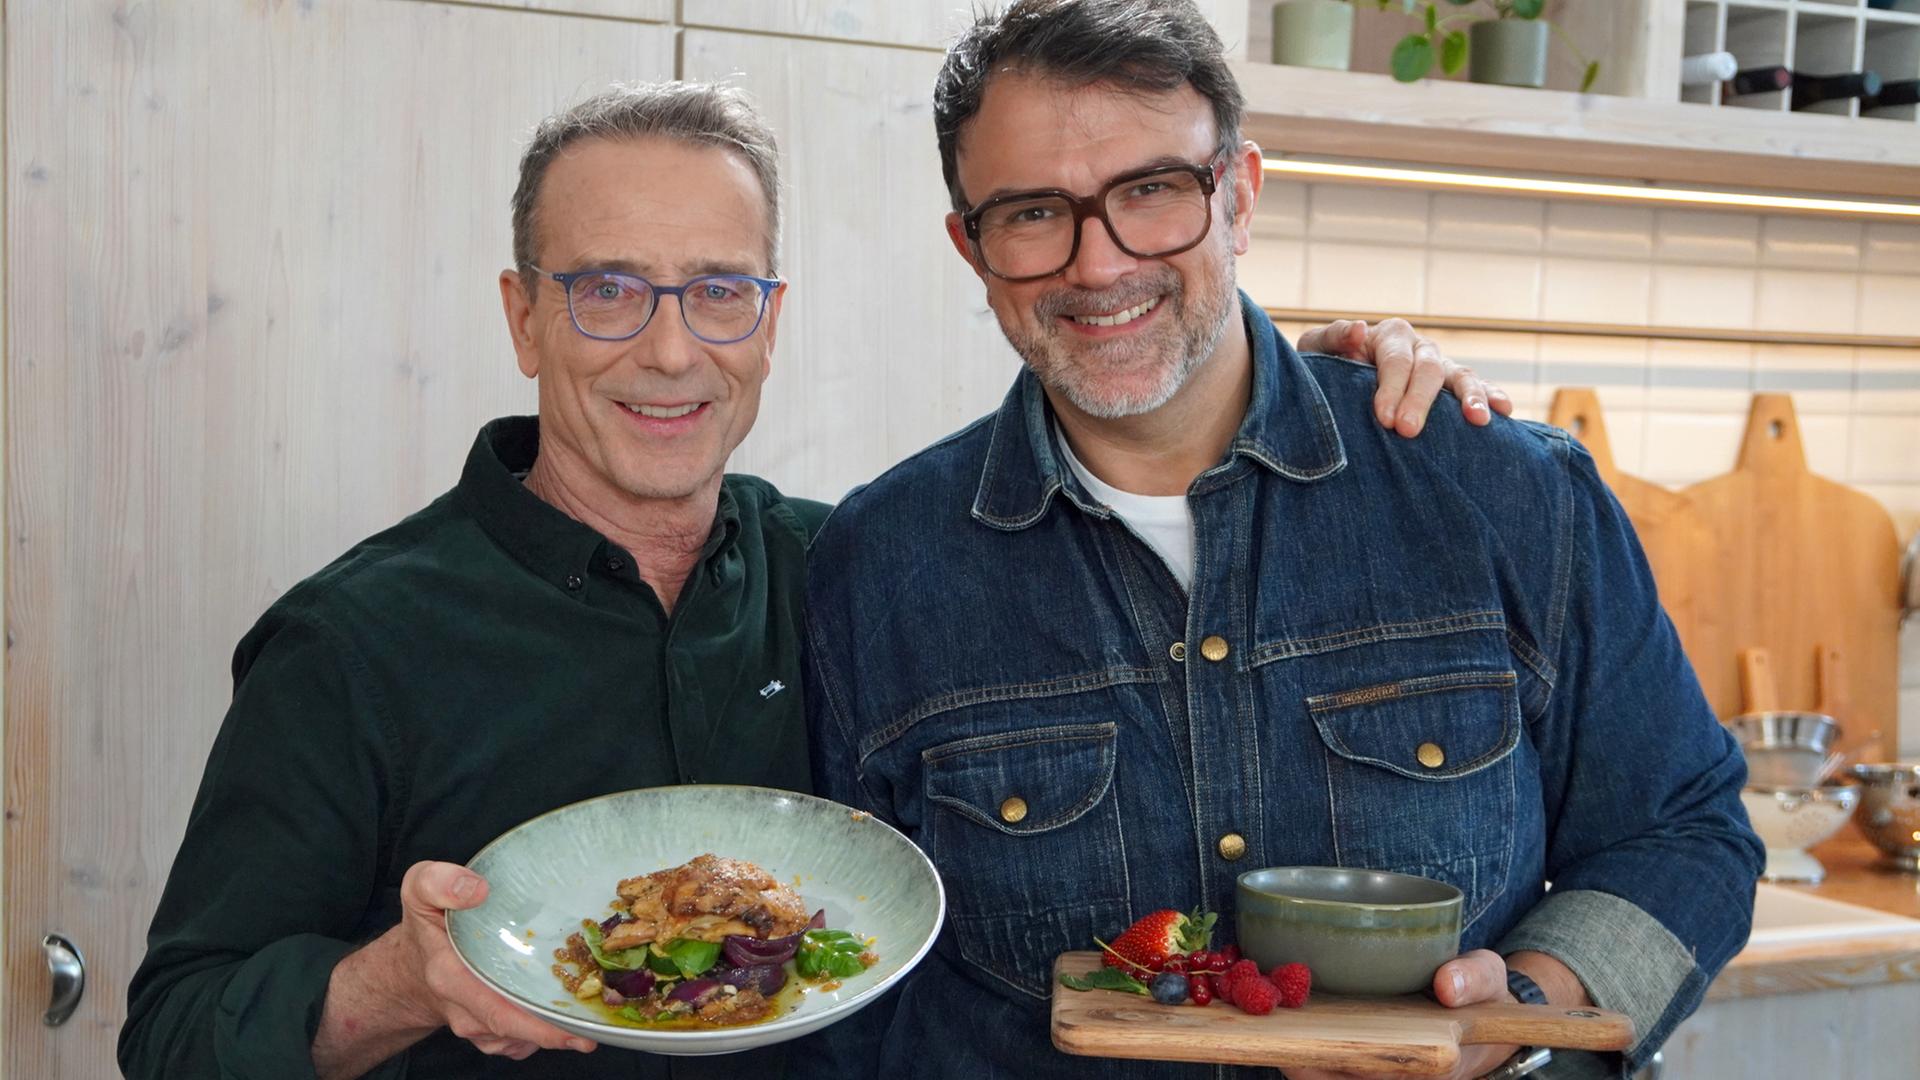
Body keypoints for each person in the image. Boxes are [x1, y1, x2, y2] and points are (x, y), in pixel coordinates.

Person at [117, 79, 1494, 1080]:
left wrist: (1305, 385)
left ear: (771, 319)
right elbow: (175, 1033)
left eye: (720, 290)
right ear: (522, 313)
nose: (670, 354)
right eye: (608, 289)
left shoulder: (872, 567)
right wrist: (398, 983)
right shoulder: (354, 643)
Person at [799, 3, 1764, 1079]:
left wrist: (1526, 1006)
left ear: (1241, 195)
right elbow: (848, 980)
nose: (1099, 263)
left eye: (1152, 190)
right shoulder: (880, 564)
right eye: (1031, 213)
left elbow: (1686, 833)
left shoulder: (1499, 490)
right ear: (972, 248)